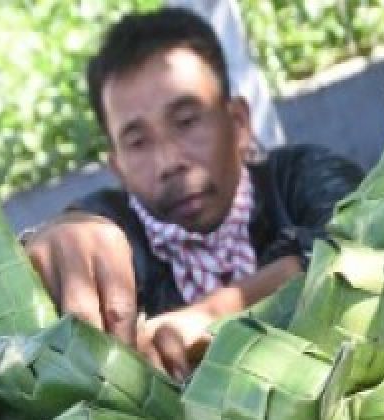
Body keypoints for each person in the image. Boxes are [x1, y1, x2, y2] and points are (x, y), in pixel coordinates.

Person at [25, 8, 364, 382]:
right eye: (137, 142)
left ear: (238, 123)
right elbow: (73, 237)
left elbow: (355, 248)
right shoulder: (114, 230)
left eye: (186, 122)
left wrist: (211, 316)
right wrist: (55, 240)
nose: (169, 161)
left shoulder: (302, 177)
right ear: (117, 167)